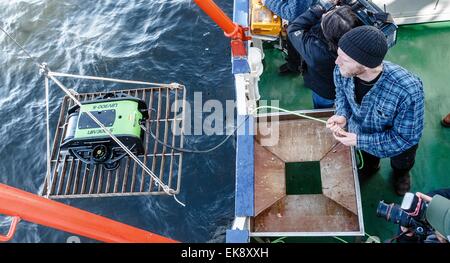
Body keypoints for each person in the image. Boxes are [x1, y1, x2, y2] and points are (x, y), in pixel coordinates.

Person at [326, 26, 425, 196]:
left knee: (402, 163)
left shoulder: (408, 90)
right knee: (369, 160)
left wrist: (359, 140)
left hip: (399, 147)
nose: (336, 62)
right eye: (338, 55)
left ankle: (401, 175)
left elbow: (405, 138)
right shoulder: (343, 70)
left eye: (344, 59)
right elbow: (341, 94)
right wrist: (342, 114)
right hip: (361, 135)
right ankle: (371, 167)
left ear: (365, 64)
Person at [288, 4, 359, 108]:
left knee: (321, 105)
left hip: (323, 90)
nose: (325, 15)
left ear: (327, 33)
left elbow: (293, 29)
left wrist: (319, 8)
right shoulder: (358, 41)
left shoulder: (316, 51)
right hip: (341, 85)